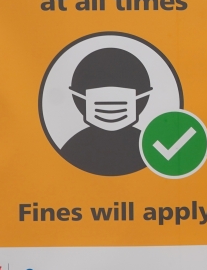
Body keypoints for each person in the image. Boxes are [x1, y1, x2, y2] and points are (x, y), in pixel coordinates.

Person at [62, 47, 151, 176]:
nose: (110, 102)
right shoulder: (74, 148)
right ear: (78, 97)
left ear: (143, 97)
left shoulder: (148, 147)